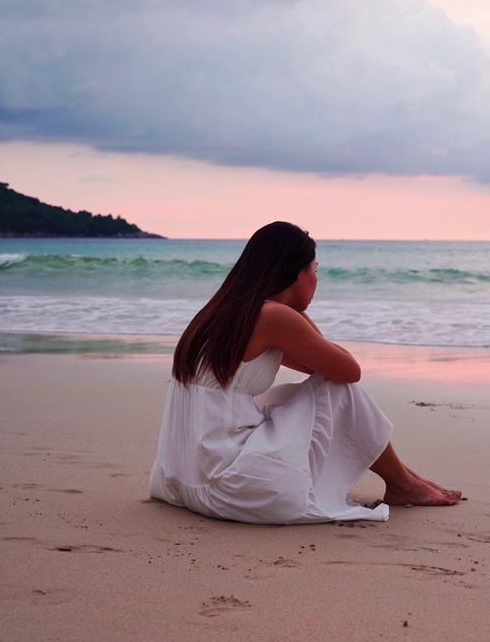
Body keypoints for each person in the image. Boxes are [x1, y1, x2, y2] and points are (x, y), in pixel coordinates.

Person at [149, 221, 461, 524]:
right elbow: (348, 371)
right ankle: (403, 483)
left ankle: (405, 478)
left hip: (184, 483)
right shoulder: (273, 316)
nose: (316, 278)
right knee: (338, 390)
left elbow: (319, 366)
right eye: (315, 269)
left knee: (308, 391)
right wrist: (297, 311)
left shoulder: (221, 312)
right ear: (297, 273)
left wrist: (294, 311)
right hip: (229, 487)